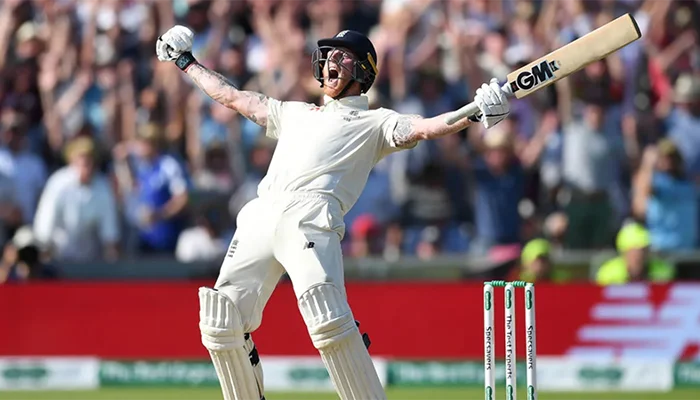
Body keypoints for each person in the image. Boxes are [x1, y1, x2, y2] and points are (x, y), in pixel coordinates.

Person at [156, 26, 510, 400]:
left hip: (311, 218)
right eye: (328, 56)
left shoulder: (375, 122)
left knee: (328, 320)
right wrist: (185, 62)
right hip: (261, 213)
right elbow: (232, 96)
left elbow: (425, 128)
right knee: (220, 322)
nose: (330, 62)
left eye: (342, 56)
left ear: (363, 71)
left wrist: (474, 113)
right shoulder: (292, 112)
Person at [596, 223, 674, 286]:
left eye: (643, 250)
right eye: (634, 252)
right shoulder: (608, 273)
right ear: (624, 253)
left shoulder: (662, 271)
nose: (639, 256)